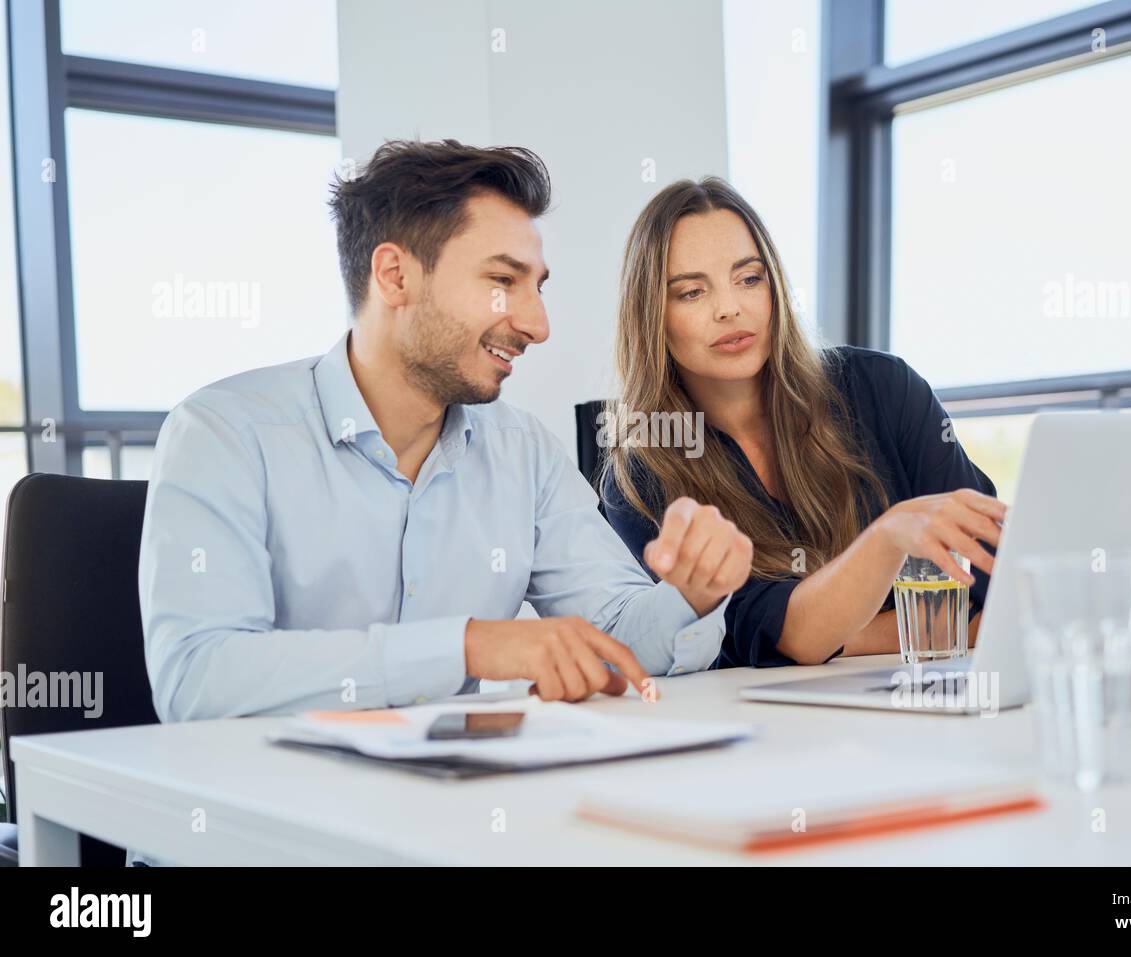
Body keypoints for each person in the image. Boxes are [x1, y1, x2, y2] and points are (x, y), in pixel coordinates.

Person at [138, 141, 754, 728]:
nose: (537, 325)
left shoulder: (523, 450)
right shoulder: (225, 433)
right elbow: (199, 680)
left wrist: (690, 594)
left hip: (442, 812)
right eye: (502, 282)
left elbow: (615, 639)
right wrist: (465, 646)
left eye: (536, 286)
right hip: (256, 823)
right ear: (395, 276)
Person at [600, 177, 1004, 669]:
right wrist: (892, 539)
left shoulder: (884, 388)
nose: (730, 308)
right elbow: (783, 637)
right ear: (651, 316)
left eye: (749, 279)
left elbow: (997, 580)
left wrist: (857, 634)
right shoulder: (643, 475)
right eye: (691, 292)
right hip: (773, 730)